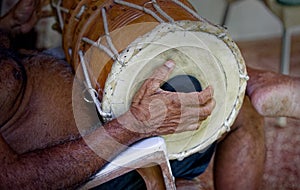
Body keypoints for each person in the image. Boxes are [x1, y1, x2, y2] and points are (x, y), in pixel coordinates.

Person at [0, 0, 266, 189]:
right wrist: (133, 126)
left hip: (101, 111)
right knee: (239, 112)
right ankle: (264, 84)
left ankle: (257, 79)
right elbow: (13, 180)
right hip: (91, 167)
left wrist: (8, 26)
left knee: (215, 89)